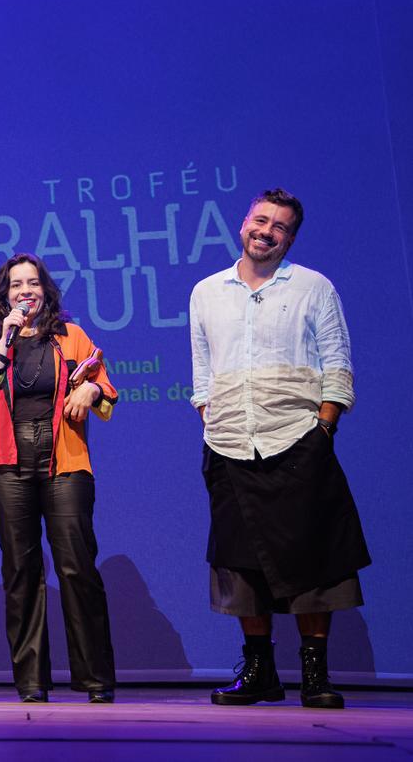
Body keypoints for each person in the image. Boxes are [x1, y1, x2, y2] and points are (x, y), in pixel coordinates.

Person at [190, 188, 369, 709]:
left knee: (315, 560)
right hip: (229, 444)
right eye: (260, 220)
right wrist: (211, 416)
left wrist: (324, 427)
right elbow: (203, 372)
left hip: (296, 439)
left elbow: (337, 363)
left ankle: (315, 676)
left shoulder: (313, 287)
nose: (266, 231)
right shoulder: (207, 291)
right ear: (244, 222)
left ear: (291, 238)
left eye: (280, 226)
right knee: (242, 564)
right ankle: (260, 672)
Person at [0, 253, 118, 704]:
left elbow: (104, 387)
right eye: (16, 285)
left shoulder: (70, 336)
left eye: (33, 283)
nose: (25, 291)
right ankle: (31, 681)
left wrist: (91, 389)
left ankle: (95, 679)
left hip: (65, 464)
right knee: (21, 571)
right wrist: (5, 341)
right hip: (8, 466)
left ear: (46, 290)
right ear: (4, 295)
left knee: (77, 567)